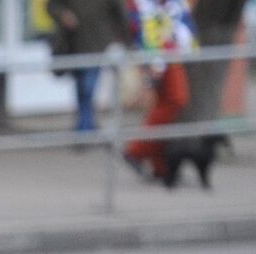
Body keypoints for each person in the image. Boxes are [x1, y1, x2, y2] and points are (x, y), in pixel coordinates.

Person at [124, 0, 201, 186]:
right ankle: (137, 151)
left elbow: (182, 20)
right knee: (177, 100)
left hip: (171, 50)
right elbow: (138, 25)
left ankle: (160, 165)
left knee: (166, 104)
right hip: (159, 53)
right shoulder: (139, 5)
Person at [46, 0, 129, 133]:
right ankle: (87, 125)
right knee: (82, 88)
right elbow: (52, 5)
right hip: (73, 45)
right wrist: (63, 15)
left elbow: (120, 13)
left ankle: (84, 130)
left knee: (87, 87)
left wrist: (126, 40)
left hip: (97, 45)